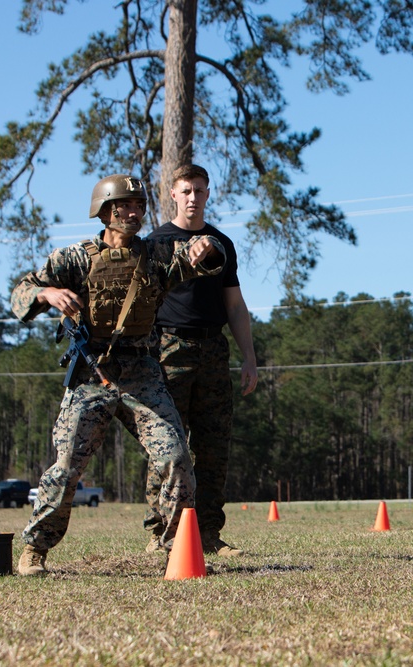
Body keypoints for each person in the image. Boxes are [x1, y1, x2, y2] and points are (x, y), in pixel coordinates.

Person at [11, 173, 225, 576]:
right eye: (125, 205)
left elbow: (207, 262)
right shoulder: (74, 258)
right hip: (93, 374)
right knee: (67, 467)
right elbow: (21, 290)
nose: (134, 212)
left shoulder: (157, 254)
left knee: (177, 458)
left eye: (139, 206)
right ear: (105, 211)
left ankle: (176, 550)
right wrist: (47, 294)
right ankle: (34, 549)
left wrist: (207, 247)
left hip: (142, 372)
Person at [144, 164, 258, 557]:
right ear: (173, 194)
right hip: (167, 351)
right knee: (167, 446)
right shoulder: (155, 244)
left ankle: (209, 533)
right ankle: (162, 532)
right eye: (186, 190)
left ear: (208, 194)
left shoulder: (221, 243)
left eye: (200, 191)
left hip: (213, 351)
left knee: (213, 447)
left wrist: (249, 359)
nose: (193, 197)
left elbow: (235, 306)